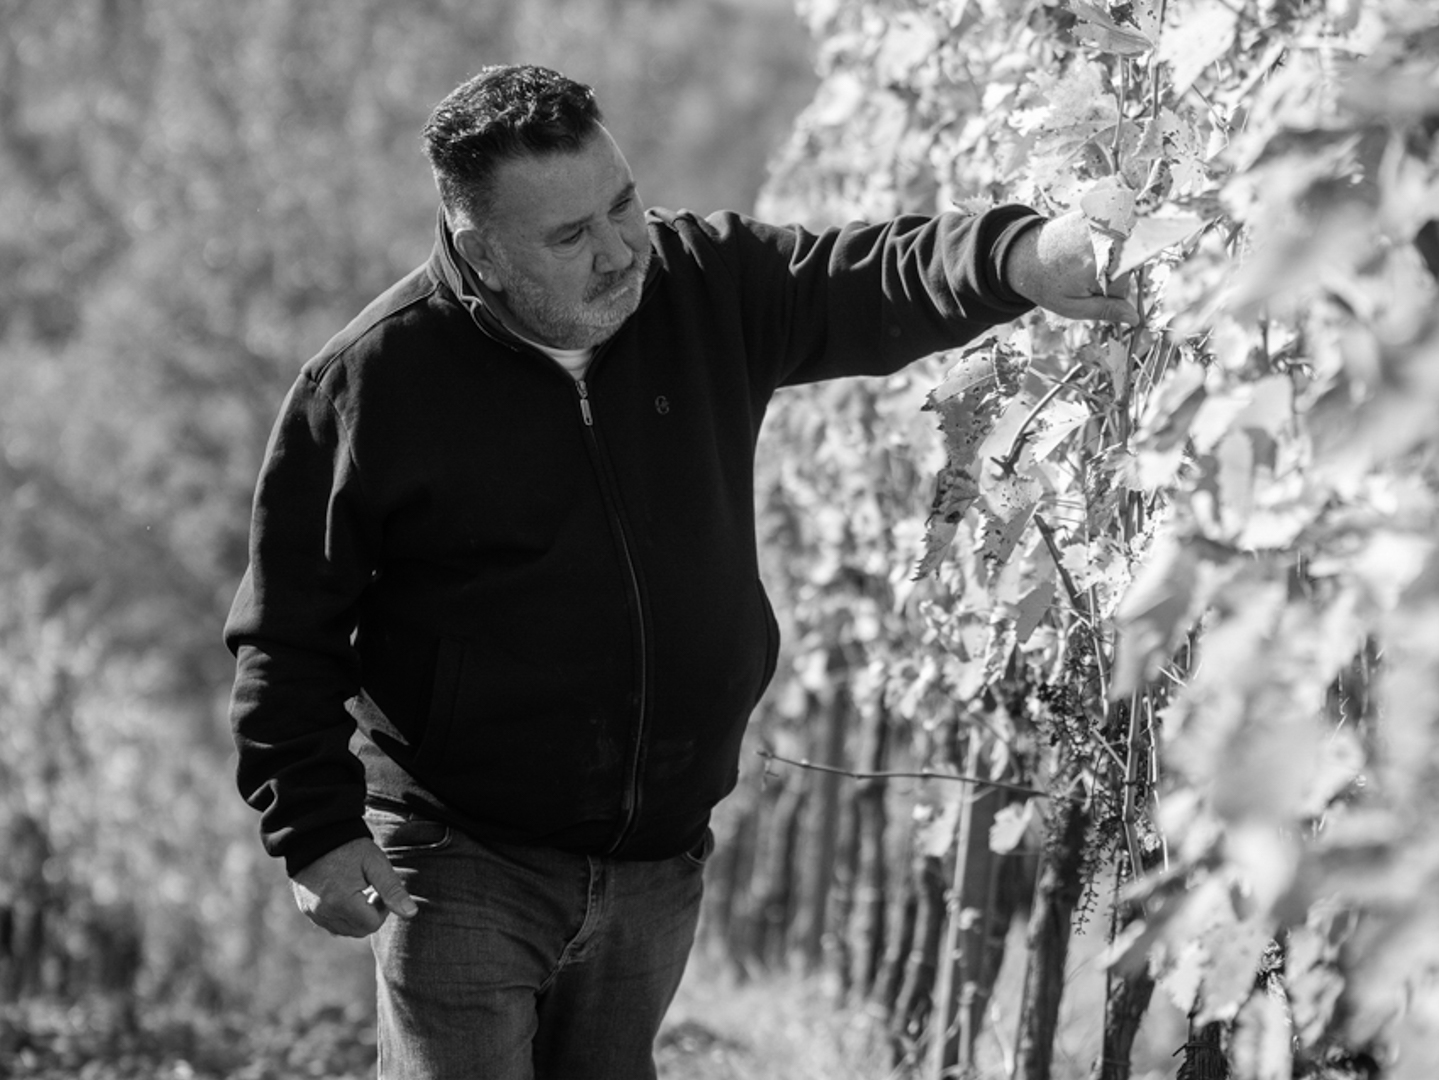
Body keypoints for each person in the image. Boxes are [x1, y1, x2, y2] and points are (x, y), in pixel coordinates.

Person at [224, 64, 1134, 1080]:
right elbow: (287, 630)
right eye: (571, 236)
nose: (620, 250)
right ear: (482, 252)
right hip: (461, 856)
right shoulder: (374, 383)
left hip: (658, 855)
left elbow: (866, 275)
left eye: (623, 204)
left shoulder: (702, 284)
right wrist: (313, 828)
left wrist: (1018, 257)